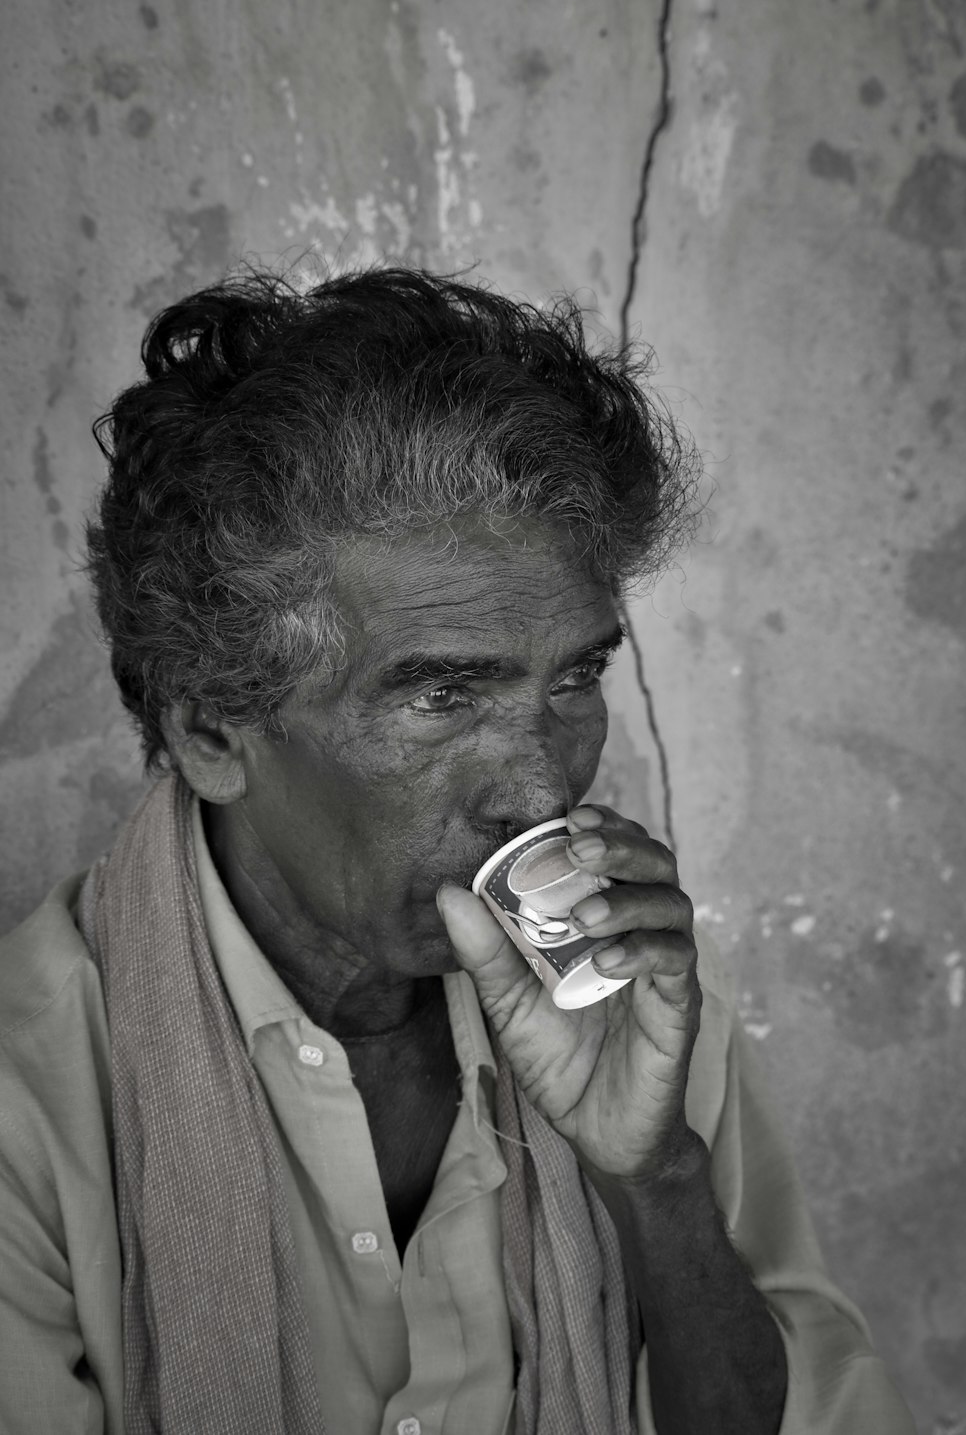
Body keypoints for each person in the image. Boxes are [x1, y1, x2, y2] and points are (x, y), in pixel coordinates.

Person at [0, 266, 915, 1435]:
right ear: (212, 728)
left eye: (577, 675)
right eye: (440, 695)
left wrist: (655, 1177)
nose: (542, 784)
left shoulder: (628, 997)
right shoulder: (31, 1105)